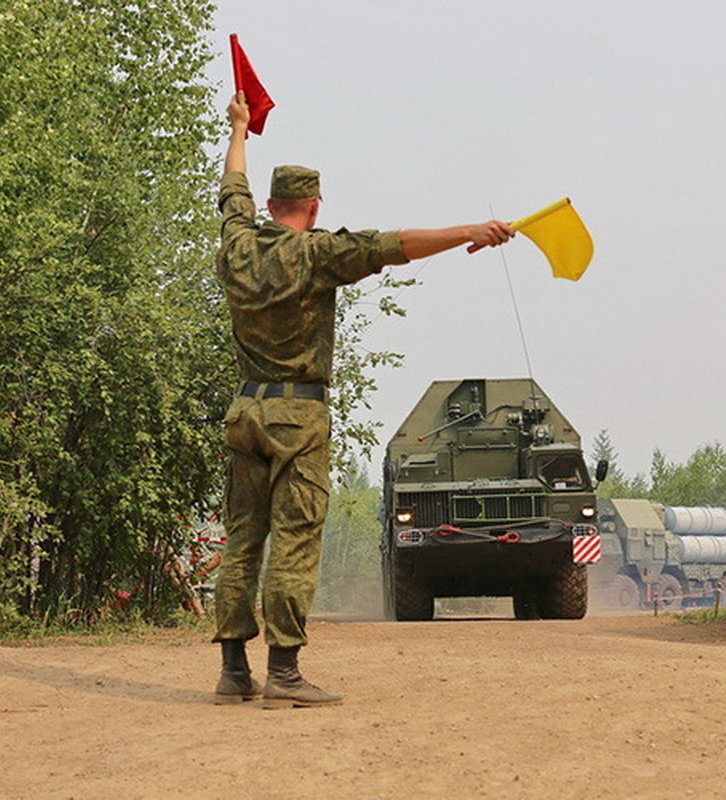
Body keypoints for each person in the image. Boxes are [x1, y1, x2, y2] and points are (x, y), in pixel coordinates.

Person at [213, 92, 514, 708]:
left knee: (243, 537)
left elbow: (230, 187)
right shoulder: (318, 253)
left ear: (270, 206)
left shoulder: (239, 245)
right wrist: (470, 233)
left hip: (245, 412)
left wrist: (240, 129)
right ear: (315, 206)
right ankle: (285, 674)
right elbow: (395, 244)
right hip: (298, 416)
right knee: (295, 539)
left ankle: (233, 670)